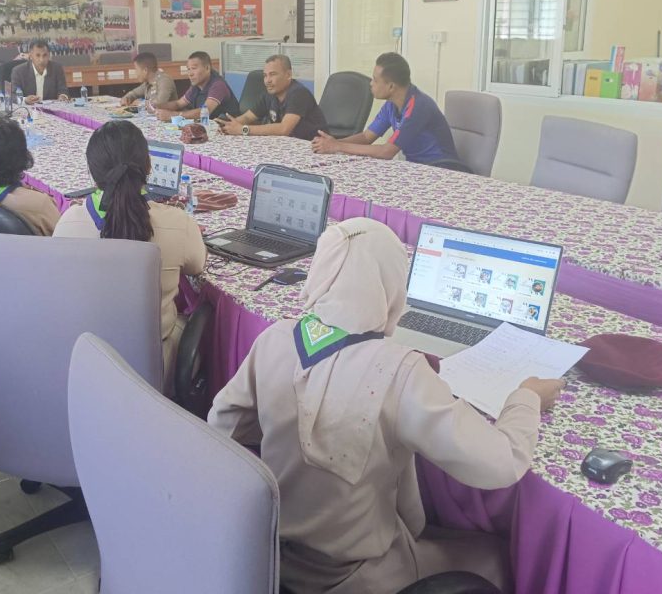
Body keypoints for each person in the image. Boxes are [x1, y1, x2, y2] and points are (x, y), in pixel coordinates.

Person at [208, 217, 564, 594]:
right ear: (392, 287)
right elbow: (501, 463)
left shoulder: (274, 338)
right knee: (495, 557)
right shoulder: (399, 370)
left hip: (271, 559)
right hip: (357, 577)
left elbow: (222, 426)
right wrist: (526, 398)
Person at [54, 120, 206, 393]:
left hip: (86, 362)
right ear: (148, 167)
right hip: (156, 363)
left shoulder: (68, 224)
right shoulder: (177, 223)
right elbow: (198, 265)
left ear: (91, 172)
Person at [311, 52, 459, 163]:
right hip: (417, 168)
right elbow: (366, 137)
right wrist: (332, 143)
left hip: (441, 169)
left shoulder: (418, 107)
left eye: (375, 80)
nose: (371, 84)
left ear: (391, 86)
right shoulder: (391, 105)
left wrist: (337, 146)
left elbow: (386, 152)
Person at [217, 54, 327, 140]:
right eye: (265, 76)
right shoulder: (269, 94)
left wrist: (243, 129)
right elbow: (247, 117)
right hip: (286, 146)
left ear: (288, 75)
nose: (267, 81)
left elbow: (284, 129)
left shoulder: (299, 93)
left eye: (273, 74)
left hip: (314, 148)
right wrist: (228, 126)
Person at [155, 51, 239, 121]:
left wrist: (173, 115)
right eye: (188, 69)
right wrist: (157, 106)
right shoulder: (197, 85)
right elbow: (178, 104)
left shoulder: (218, 85)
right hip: (208, 125)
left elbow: (204, 112)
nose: (190, 74)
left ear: (207, 68)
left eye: (194, 68)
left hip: (227, 128)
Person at [11, 38, 69, 103]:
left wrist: (62, 96)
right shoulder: (18, 71)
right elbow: (13, 95)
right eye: (38, 55)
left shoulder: (57, 68)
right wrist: (25, 100)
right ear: (30, 55)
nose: (41, 60)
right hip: (28, 108)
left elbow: (63, 90)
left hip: (51, 107)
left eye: (45, 55)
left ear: (49, 55)